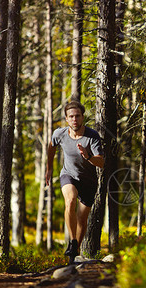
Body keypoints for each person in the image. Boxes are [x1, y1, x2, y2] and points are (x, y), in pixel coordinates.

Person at [45, 101, 104, 263]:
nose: (74, 119)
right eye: (71, 116)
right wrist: (49, 168)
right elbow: (51, 147)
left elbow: (101, 162)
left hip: (89, 181)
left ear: (82, 117)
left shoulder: (92, 136)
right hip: (68, 175)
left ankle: (75, 250)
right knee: (70, 200)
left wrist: (88, 156)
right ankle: (72, 241)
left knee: (82, 220)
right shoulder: (60, 134)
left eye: (77, 116)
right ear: (66, 119)